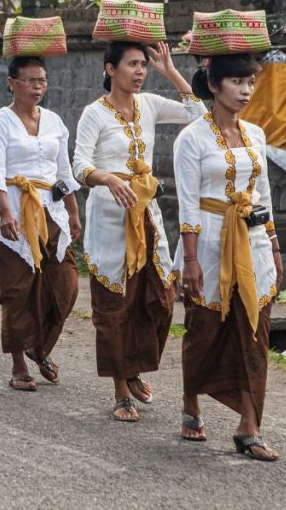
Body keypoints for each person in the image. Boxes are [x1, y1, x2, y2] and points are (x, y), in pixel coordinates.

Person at [73, 41, 206, 422]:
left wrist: (170, 70)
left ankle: (133, 367)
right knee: (115, 305)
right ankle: (120, 391)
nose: (139, 71)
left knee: (161, 297)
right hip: (109, 218)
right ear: (110, 69)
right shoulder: (94, 114)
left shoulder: (148, 103)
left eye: (143, 65)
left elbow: (198, 116)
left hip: (146, 214)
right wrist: (108, 179)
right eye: (132, 64)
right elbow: (79, 165)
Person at [174, 54, 282, 461]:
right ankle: (190, 401)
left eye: (250, 82)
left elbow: (265, 195)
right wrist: (189, 260)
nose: (246, 91)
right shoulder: (192, 138)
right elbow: (187, 203)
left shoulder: (255, 134)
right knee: (204, 329)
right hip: (208, 242)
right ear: (214, 86)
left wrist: (273, 243)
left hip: (252, 242)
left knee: (255, 333)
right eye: (237, 82)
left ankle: (249, 427)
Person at [0, 56, 81, 392]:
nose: (37, 87)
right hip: (14, 210)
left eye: (42, 80)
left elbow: (64, 171)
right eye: (30, 80)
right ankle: (18, 364)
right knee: (17, 290)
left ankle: (40, 348)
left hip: (50, 211)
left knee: (67, 284)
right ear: (11, 83)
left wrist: (73, 211)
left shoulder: (55, 122)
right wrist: (5, 212)